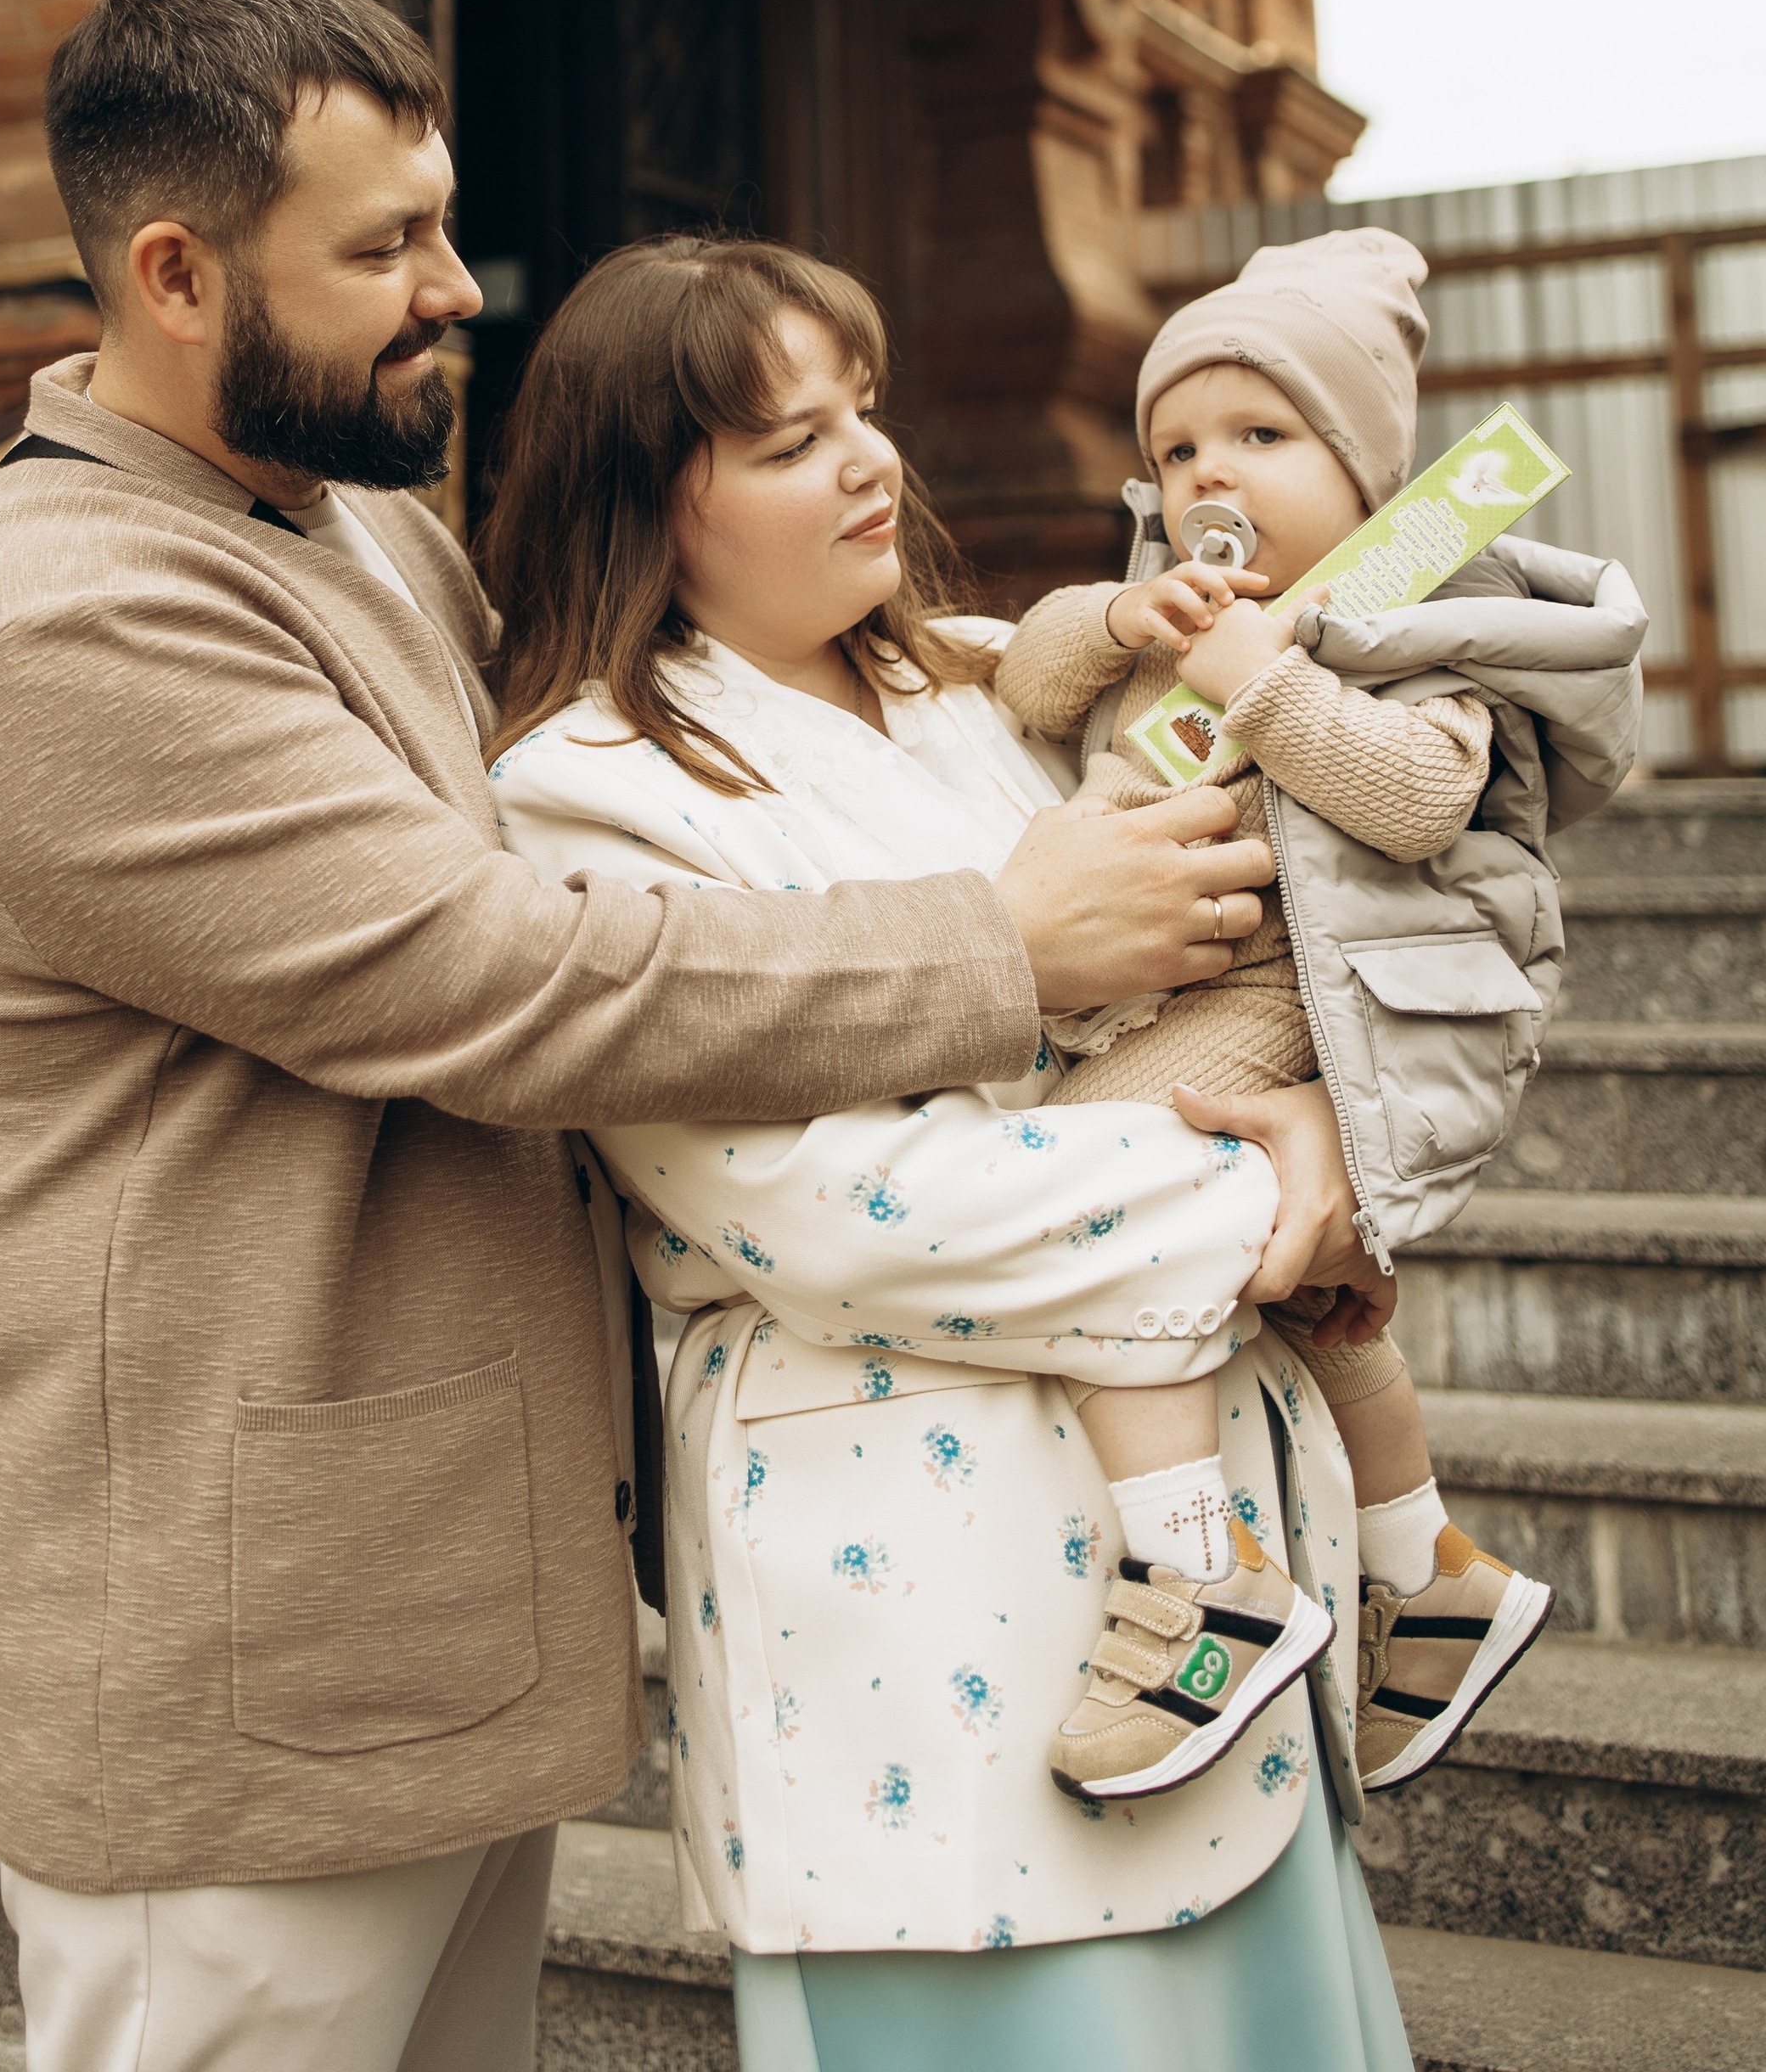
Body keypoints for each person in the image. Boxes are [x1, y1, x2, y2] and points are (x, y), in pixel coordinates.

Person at [0, 0, 1283, 2072]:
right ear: (172, 273)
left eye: (439, 219)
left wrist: (1041, 670)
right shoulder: (67, 613)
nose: (458, 286)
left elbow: (711, 699)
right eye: (382, 246)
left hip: (422, 1601)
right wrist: (996, 939)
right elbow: (490, 970)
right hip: (235, 1652)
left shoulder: (357, 532)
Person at [482, 231, 1414, 2072]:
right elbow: (839, 1214)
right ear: (641, 506)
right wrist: (1270, 1192)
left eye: (865, 411)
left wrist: (1318, 1110)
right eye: (784, 441)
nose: (867, 465)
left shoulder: (993, 691)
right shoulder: (584, 796)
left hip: (1215, 1585)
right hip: (918, 1619)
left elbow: (1242, 989)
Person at [998, 229, 1643, 1803]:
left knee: (1076, 1184)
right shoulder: (1171, 607)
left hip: (1296, 991)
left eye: (1262, 438)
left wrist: (1265, 679)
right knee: (1307, 1294)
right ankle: (1428, 1567)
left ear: (1365, 472)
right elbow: (1024, 690)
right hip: (1162, 967)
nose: (1213, 473)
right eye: (1179, 447)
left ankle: (1194, 1574)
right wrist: (1114, 623)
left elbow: (1423, 799)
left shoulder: (1423, 620)